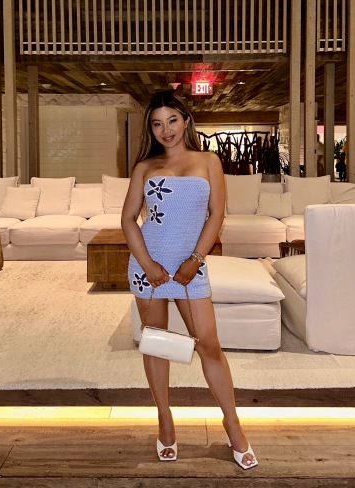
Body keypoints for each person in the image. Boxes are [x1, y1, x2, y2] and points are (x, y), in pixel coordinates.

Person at [121, 90, 257, 470]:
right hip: (148, 268)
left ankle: (232, 424)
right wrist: (147, 264)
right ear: (151, 129)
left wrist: (195, 260)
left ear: (186, 120)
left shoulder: (208, 161)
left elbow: (217, 214)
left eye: (172, 120)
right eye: (157, 124)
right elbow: (128, 219)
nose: (166, 130)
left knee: (209, 344)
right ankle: (165, 420)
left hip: (190, 268)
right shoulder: (145, 167)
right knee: (156, 343)